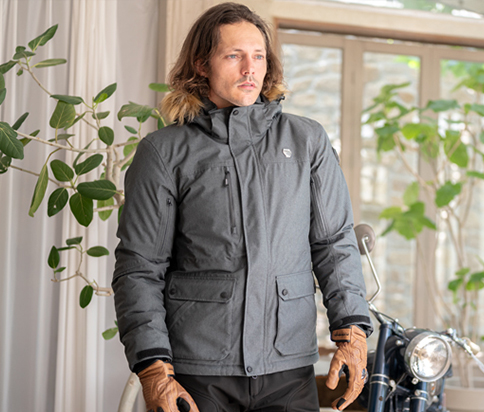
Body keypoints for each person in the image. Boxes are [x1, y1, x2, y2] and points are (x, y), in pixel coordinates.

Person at [112, 2, 372, 411]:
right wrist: (153, 370)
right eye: (234, 56)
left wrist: (352, 333)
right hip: (200, 372)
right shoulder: (164, 153)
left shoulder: (307, 141)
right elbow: (140, 267)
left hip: (289, 369)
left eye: (259, 56)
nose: (250, 69)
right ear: (202, 64)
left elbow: (334, 243)